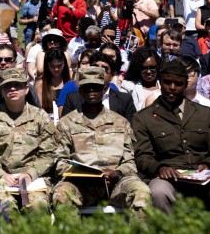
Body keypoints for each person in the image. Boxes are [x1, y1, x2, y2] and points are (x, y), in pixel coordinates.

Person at [132, 60, 210, 215]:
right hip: (166, 177)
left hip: (202, 175)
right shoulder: (143, 117)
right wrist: (160, 168)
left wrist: (208, 165)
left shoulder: (204, 112)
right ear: (160, 82)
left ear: (185, 84)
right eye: (167, 82)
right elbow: (142, 156)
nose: (172, 88)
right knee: (159, 193)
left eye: (178, 83)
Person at [52, 66, 151, 217]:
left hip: (116, 183)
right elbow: (59, 161)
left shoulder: (121, 122)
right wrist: (81, 174)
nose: (91, 91)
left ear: (105, 89)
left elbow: (130, 161)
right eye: (86, 87)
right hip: (81, 185)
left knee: (141, 192)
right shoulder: (66, 123)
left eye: (96, 87)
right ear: (80, 90)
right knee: (61, 194)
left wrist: (117, 173)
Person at [0, 67, 56, 212]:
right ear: (2, 92)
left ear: (27, 89)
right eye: (7, 86)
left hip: (34, 179)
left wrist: (30, 174)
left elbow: (50, 153)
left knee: (38, 207)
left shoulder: (40, 117)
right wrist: (0, 174)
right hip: (2, 179)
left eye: (18, 85)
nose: (13, 88)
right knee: (5, 208)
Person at [62, 52, 136, 122]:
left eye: (104, 68)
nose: (99, 71)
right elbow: (65, 125)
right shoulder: (73, 98)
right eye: (95, 67)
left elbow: (131, 128)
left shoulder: (124, 100)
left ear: (112, 74)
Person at [34, 48, 70, 117]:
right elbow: (39, 109)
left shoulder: (70, 80)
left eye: (59, 65)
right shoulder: (40, 84)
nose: (56, 69)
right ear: (47, 66)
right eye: (52, 66)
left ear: (64, 64)